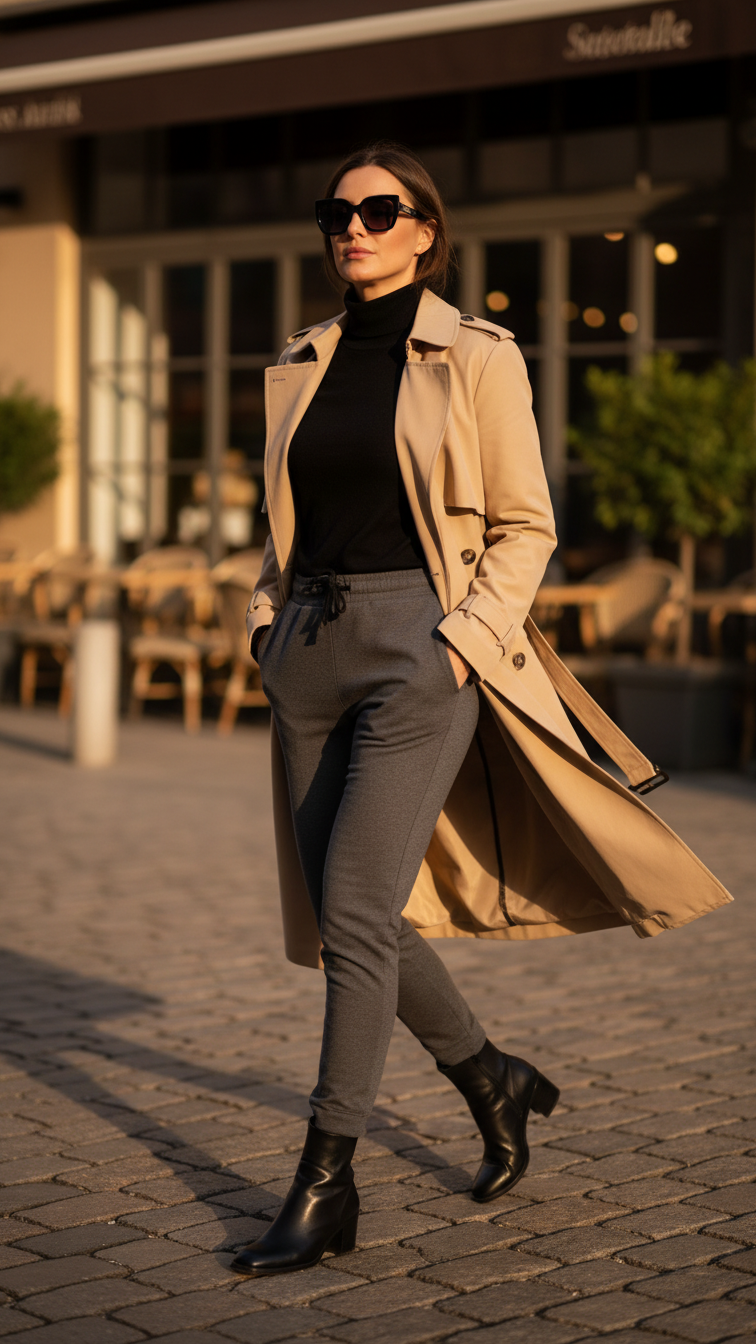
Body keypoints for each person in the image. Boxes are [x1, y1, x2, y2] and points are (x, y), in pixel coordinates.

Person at [231, 142, 731, 1278]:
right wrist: (264, 617)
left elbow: (527, 524)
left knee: (356, 904)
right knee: (350, 913)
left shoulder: (475, 354)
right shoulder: (301, 360)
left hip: (422, 646)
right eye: (336, 212)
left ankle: (325, 1179)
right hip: (306, 649)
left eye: (377, 209)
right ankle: (491, 1077)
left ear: (423, 230)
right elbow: (288, 517)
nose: (351, 227)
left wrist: (459, 644)